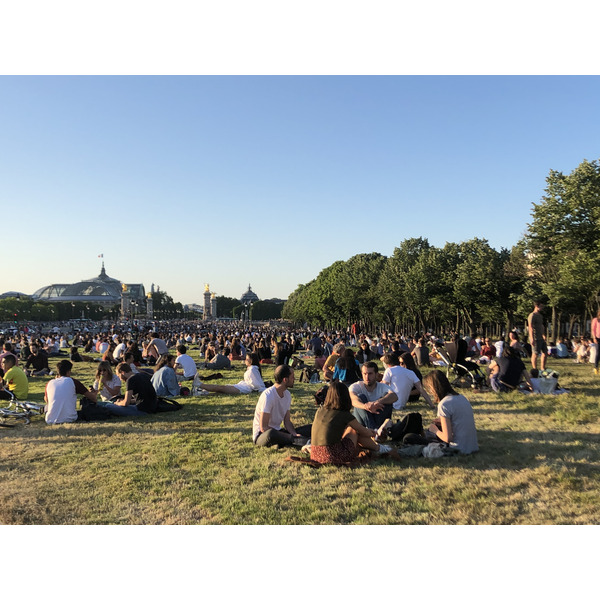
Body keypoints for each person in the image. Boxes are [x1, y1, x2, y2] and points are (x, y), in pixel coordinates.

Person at [310, 381, 394, 464]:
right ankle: (379, 449)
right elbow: (363, 431)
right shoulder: (343, 414)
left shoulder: (320, 410)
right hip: (332, 456)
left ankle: (378, 448)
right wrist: (372, 432)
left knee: (350, 430)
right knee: (355, 430)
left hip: (315, 455)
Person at [252, 364, 311, 448]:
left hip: (280, 432)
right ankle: (295, 440)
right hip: (263, 435)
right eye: (292, 377)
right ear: (285, 380)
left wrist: (294, 433)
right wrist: (290, 436)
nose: (294, 379)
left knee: (311, 428)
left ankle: (291, 440)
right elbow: (263, 428)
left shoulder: (287, 395)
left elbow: (287, 421)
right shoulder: (268, 396)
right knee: (271, 433)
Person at [422, 370, 479, 454]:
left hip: (457, 449)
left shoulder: (444, 404)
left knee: (418, 438)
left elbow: (448, 438)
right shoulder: (462, 398)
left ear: (433, 388)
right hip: (472, 446)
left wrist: (435, 430)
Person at [44, 360, 98, 424]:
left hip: (50, 420)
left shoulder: (50, 383)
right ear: (68, 372)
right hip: (70, 418)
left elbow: (47, 400)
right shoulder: (72, 382)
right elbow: (93, 398)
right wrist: (94, 393)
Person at [348, 361, 398, 430]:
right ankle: (374, 429)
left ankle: (375, 429)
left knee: (386, 396)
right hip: (362, 419)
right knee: (360, 397)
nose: (367, 377)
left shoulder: (382, 386)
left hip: (378, 417)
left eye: (370, 374)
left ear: (376, 374)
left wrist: (377, 402)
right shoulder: (356, 386)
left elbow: (394, 396)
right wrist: (366, 406)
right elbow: (353, 399)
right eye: (365, 374)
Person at [198, 353, 265, 395]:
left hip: (243, 388)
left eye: (247, 359)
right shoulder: (252, 369)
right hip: (242, 386)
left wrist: (260, 390)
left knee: (221, 388)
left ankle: (200, 385)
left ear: (251, 361)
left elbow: (257, 384)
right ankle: (202, 391)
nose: (245, 360)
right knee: (221, 390)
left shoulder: (253, 369)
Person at [528, 300, 548, 371]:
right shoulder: (532, 315)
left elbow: (541, 326)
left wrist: (543, 334)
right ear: (536, 306)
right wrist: (532, 338)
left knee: (545, 352)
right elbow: (530, 327)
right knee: (535, 353)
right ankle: (534, 369)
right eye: (541, 306)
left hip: (541, 337)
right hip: (535, 337)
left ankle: (543, 368)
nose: (542, 308)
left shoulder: (540, 316)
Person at [592, 309, 600, 375]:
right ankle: (596, 367)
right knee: (598, 353)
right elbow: (593, 329)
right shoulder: (595, 320)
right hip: (597, 338)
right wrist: (594, 338)